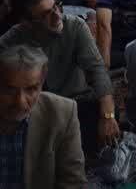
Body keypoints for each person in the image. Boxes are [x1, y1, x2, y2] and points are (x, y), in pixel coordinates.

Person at [0, 0, 118, 153]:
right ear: (27, 23)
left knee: (105, 112)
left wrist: (108, 116)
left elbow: (96, 70)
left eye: (56, 6)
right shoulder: (12, 40)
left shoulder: (75, 26)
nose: (57, 16)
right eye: (45, 15)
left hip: (75, 102)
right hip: (33, 109)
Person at [0, 45, 85, 188]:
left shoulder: (62, 113)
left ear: (41, 83)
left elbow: (73, 181)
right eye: (9, 90)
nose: (20, 102)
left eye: (31, 89)